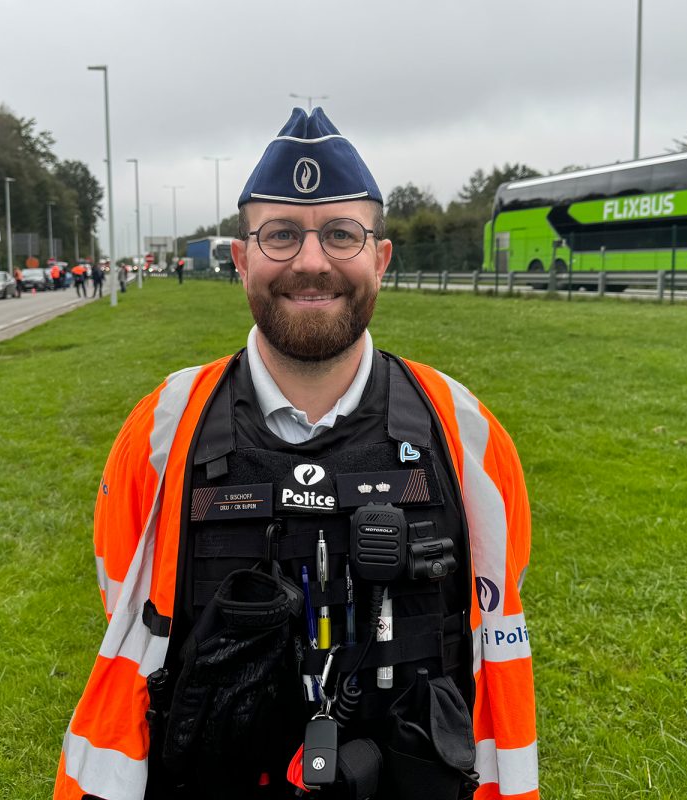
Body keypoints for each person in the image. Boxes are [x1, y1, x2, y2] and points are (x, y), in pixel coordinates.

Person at [55, 108, 536, 800]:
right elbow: (121, 598)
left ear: (381, 257)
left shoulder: (463, 431)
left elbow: (500, 615)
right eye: (281, 235)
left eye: (342, 233)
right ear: (242, 257)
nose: (312, 262)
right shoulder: (161, 432)